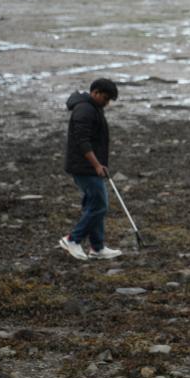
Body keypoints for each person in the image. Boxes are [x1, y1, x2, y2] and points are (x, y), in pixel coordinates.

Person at [58, 78, 123, 261]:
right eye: (106, 98)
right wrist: (96, 164)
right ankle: (72, 239)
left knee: (93, 205)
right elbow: (82, 141)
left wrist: (101, 164)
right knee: (100, 206)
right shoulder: (85, 110)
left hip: (91, 166)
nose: (107, 102)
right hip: (84, 167)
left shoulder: (93, 107)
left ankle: (97, 247)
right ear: (95, 92)